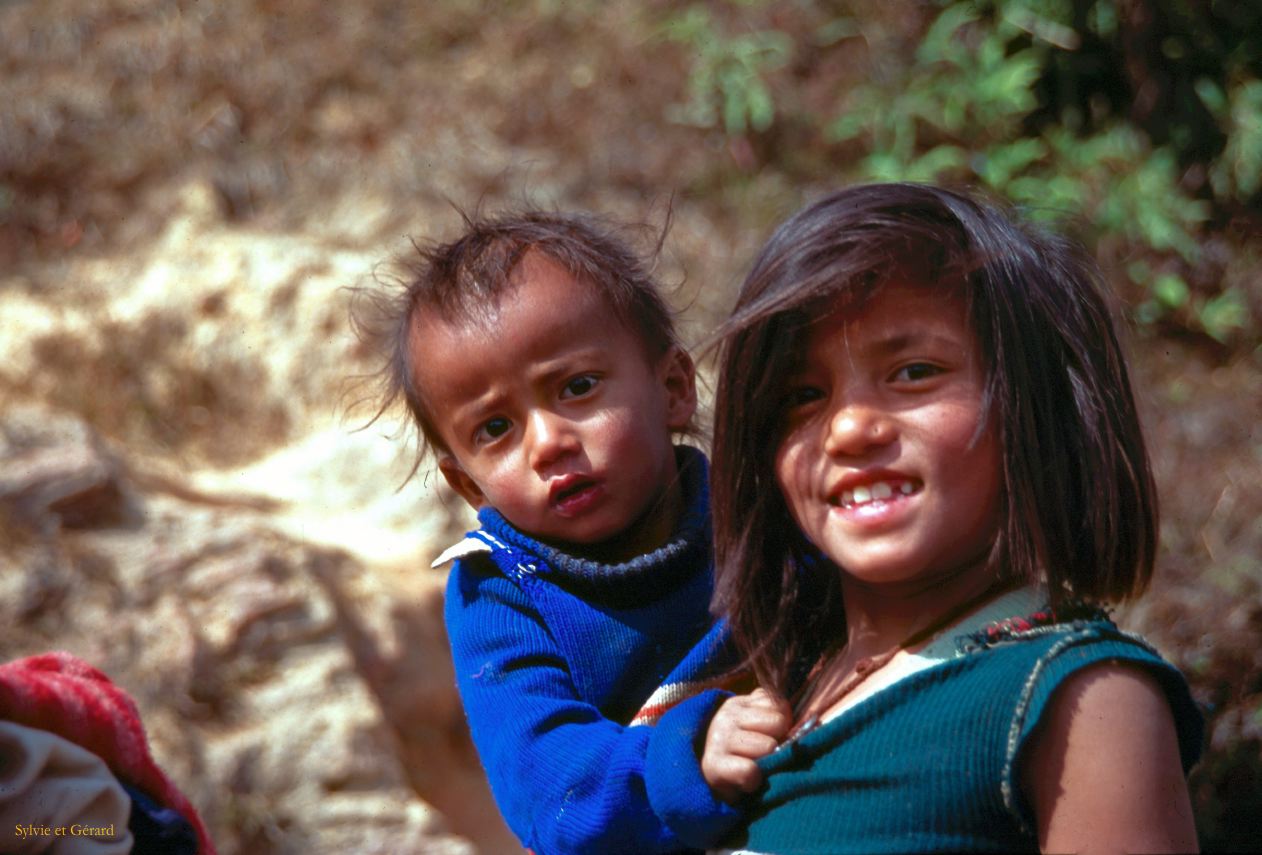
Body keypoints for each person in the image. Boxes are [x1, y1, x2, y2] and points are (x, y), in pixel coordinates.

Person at [705, 183, 1204, 854]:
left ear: (1032, 410)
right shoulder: (762, 688)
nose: (848, 427)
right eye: (802, 395)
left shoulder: (1077, 699)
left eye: (914, 371)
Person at [355, 209, 786, 854]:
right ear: (469, 486)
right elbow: (548, 788)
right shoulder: (499, 594)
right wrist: (691, 753)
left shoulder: (759, 511)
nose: (548, 443)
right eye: (495, 429)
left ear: (672, 388)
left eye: (577, 388)